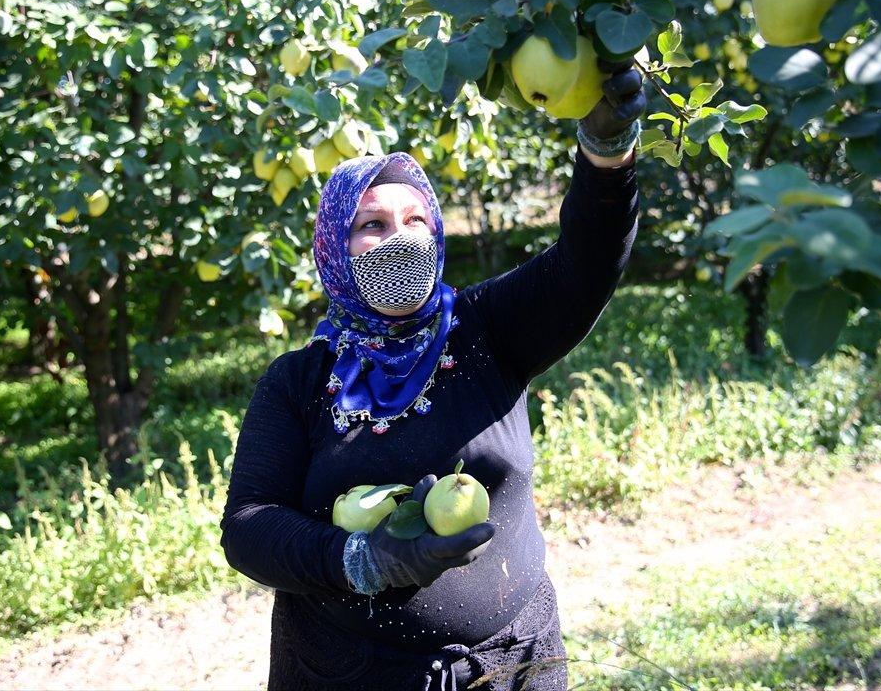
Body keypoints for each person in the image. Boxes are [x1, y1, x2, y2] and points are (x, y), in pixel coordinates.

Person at [220, 58, 646, 691]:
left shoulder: (486, 331)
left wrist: (606, 152)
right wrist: (364, 562)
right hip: (349, 671)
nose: (402, 238)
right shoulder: (298, 383)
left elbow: (586, 264)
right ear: (335, 247)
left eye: (416, 219)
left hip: (515, 664)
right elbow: (249, 525)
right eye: (373, 224)